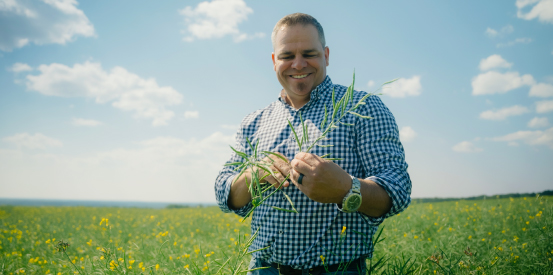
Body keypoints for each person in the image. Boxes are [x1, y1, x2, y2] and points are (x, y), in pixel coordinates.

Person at [215, 13, 411, 275]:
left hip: (338, 270)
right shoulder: (255, 121)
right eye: (286, 56)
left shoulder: (363, 106)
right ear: (274, 61)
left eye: (309, 53)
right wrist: (254, 175)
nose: (298, 64)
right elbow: (224, 194)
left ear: (326, 55)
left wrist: (346, 188)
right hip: (263, 269)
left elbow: (397, 190)